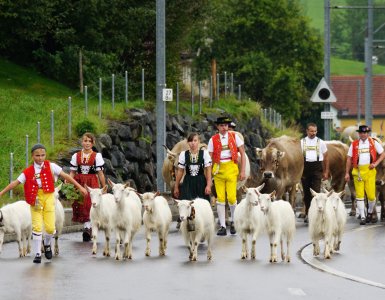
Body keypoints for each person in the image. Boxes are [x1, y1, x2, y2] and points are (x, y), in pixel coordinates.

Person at [0, 143, 88, 263]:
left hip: (49, 198)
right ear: (32, 156)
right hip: (35, 199)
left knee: (50, 228)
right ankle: (37, 254)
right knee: (37, 227)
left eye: (43, 155)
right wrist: (2, 192)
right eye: (37, 155)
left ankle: (47, 244)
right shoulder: (28, 171)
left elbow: (66, 176)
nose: (40, 158)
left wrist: (80, 187)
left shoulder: (51, 166)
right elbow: (15, 182)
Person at [208, 116, 246, 236]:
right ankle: (223, 226)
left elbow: (243, 153)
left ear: (228, 126)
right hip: (218, 169)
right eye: (221, 125)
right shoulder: (212, 140)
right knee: (220, 199)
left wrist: (243, 171)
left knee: (231, 197)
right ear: (217, 127)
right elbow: (209, 159)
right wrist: (208, 175)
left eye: (225, 125)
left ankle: (234, 222)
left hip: (231, 168)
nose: (224, 128)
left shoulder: (235, 137)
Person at [345, 125, 385, 225]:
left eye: (365, 133)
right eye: (361, 133)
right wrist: (346, 173)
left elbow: (383, 153)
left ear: (368, 133)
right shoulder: (354, 144)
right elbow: (349, 159)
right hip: (357, 172)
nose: (363, 134)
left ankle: (370, 213)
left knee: (371, 197)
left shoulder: (373, 143)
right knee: (360, 195)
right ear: (359, 134)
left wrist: (375, 164)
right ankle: (363, 216)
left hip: (370, 172)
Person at [69, 132, 106, 241]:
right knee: (81, 204)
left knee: (90, 203)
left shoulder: (96, 156)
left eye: (90, 141)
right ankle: (87, 227)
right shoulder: (76, 155)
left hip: (92, 182)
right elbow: (72, 172)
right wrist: (68, 182)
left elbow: (100, 173)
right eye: (85, 141)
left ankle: (88, 228)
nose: (87, 143)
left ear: (93, 143)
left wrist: (104, 187)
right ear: (82, 142)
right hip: (79, 181)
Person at [301, 123, 329, 223]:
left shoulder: (321, 142)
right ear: (307, 131)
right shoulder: (302, 142)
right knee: (306, 194)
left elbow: (326, 158)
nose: (313, 133)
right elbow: (298, 159)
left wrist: (326, 172)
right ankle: (308, 213)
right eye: (311, 131)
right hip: (305, 169)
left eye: (315, 131)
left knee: (316, 193)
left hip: (317, 168)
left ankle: (317, 214)